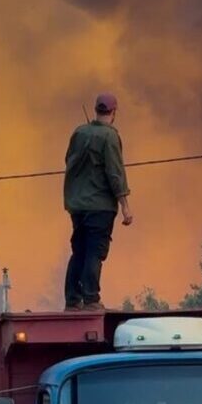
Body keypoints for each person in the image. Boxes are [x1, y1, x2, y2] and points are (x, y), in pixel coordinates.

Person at [63, 93, 132, 311]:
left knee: (79, 251)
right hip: (100, 205)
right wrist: (125, 206)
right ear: (114, 112)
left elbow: (68, 160)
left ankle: (73, 300)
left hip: (77, 205)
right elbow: (115, 173)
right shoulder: (110, 137)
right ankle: (91, 299)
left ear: (96, 110)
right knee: (95, 251)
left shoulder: (79, 132)